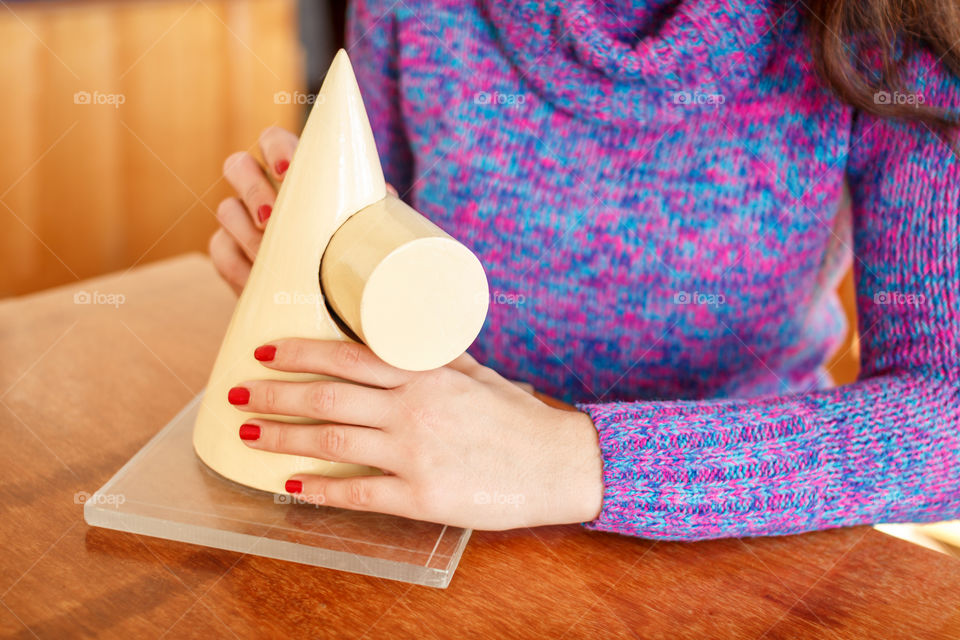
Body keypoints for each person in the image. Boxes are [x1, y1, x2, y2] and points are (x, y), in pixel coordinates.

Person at [207, 0, 960, 540]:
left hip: (758, 538)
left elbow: (947, 417)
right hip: (436, 505)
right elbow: (386, 231)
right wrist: (322, 275)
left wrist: (570, 460)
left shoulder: (891, 29)